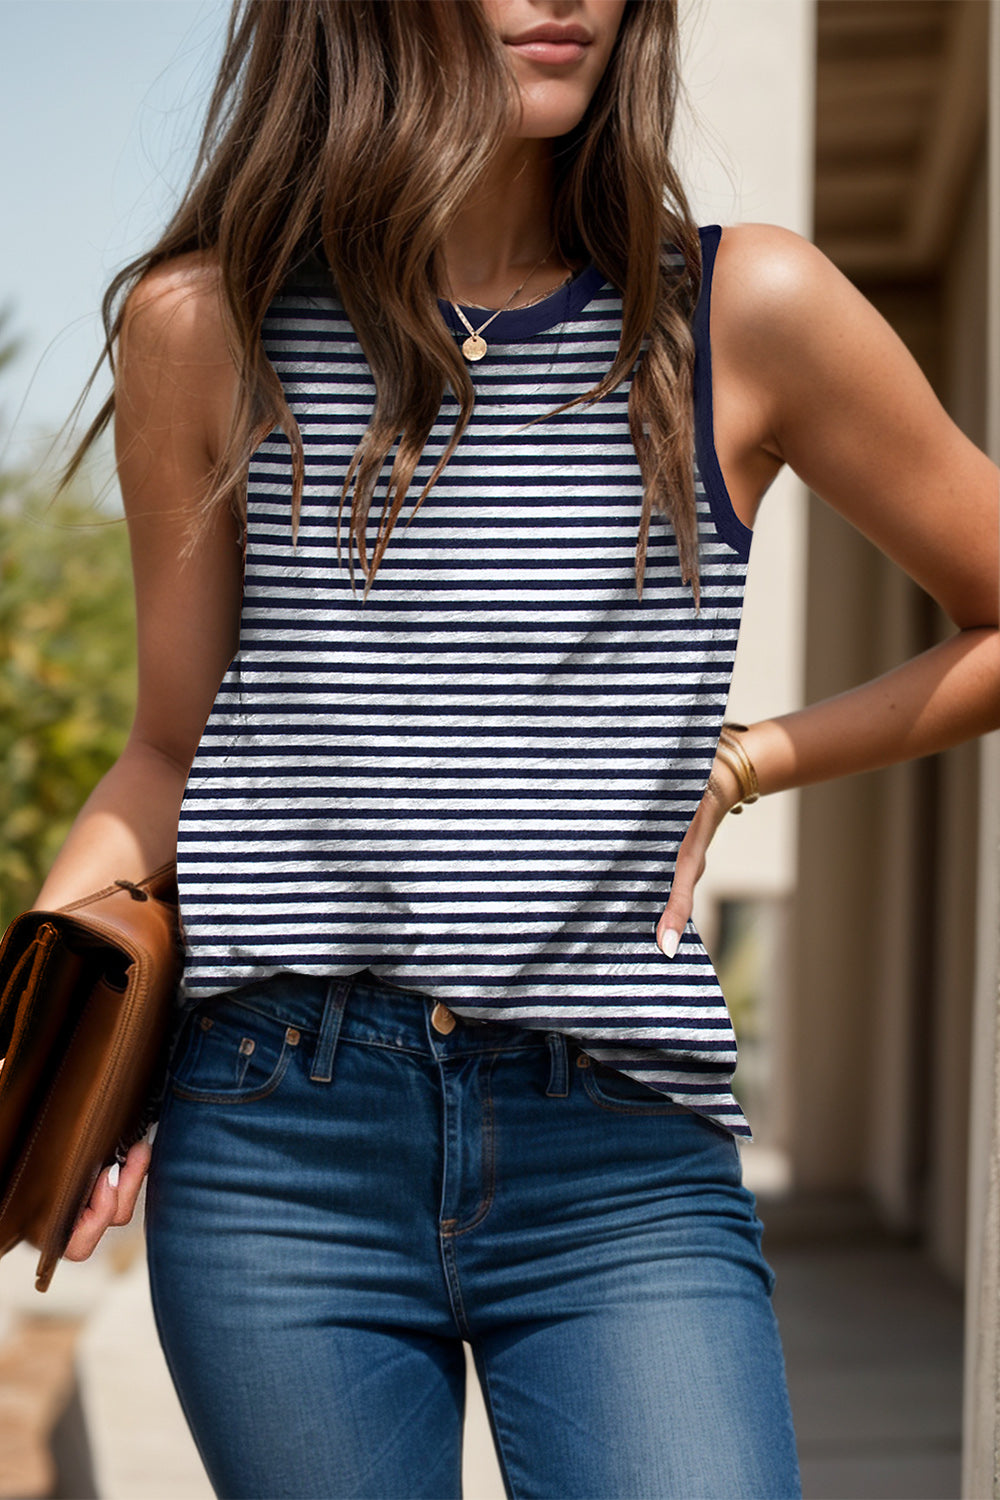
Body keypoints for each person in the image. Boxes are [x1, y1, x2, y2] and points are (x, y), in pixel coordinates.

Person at [33, 1, 998, 1496]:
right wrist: (47, 1021)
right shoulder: (204, 327)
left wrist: (755, 760)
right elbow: (169, 748)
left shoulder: (748, 308)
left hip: (618, 1150)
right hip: (282, 1143)